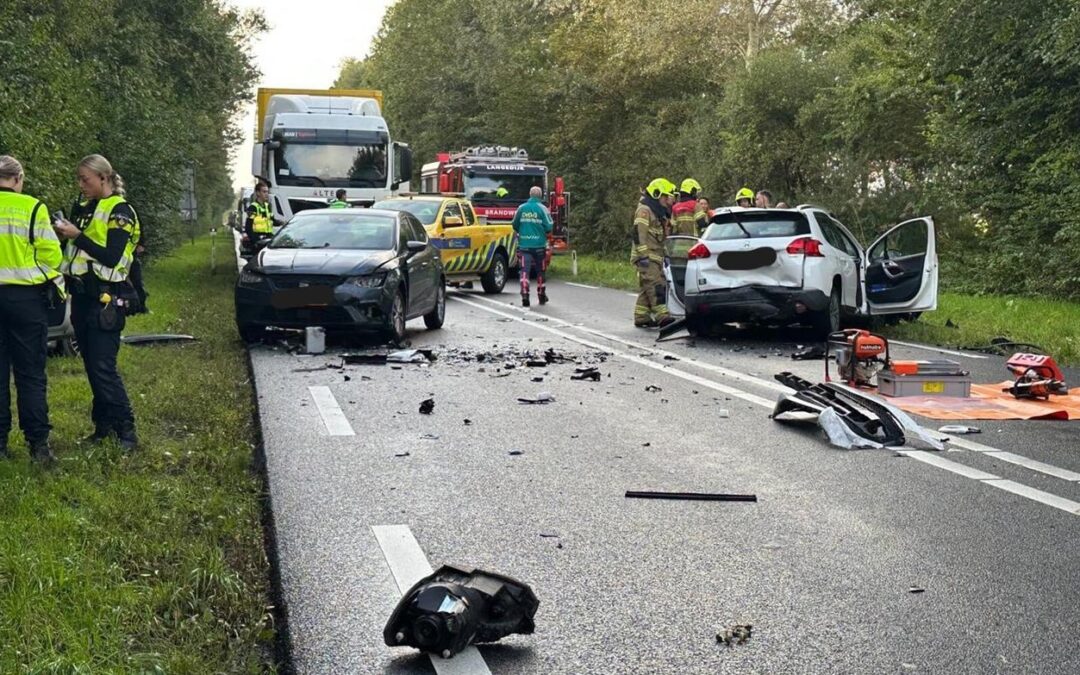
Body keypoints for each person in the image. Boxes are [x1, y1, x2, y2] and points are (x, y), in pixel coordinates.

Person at [53, 154, 140, 451]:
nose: (81, 185)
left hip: (106, 298)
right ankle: (103, 428)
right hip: (81, 297)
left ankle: (126, 432)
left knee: (104, 368)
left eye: (85, 179)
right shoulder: (87, 209)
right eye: (79, 179)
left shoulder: (121, 211)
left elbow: (111, 256)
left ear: (104, 178)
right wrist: (64, 234)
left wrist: (77, 236)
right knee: (92, 366)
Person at [0, 156, 63, 463]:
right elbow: (52, 257)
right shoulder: (34, 208)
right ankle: (38, 445)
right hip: (25, 300)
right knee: (30, 374)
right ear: (18, 179)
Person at [632, 178, 677, 328]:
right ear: (657, 195)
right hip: (646, 256)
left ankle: (641, 316)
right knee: (656, 285)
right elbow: (638, 233)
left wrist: (666, 254)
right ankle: (662, 316)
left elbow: (660, 237)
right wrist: (643, 255)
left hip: (655, 256)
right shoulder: (645, 210)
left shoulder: (657, 212)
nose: (667, 199)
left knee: (647, 286)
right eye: (665, 196)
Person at [511, 186, 553, 307]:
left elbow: (514, 224)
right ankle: (541, 294)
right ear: (540, 196)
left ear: (530, 195)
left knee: (524, 270)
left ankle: (525, 293)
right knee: (541, 271)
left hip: (524, 245)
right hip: (539, 246)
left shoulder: (521, 208)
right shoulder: (543, 209)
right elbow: (549, 226)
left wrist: (523, 231)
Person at [244, 182, 277, 250]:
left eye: (267, 192)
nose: (266, 194)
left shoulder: (268, 206)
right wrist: (256, 241)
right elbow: (248, 227)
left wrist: (284, 223)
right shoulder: (253, 207)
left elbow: (272, 221)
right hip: (258, 240)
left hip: (268, 238)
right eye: (264, 192)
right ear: (258, 193)